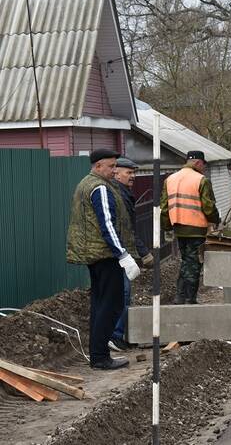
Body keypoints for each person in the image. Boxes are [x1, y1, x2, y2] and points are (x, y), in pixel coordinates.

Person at [66, 149, 140, 370]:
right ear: (98, 166)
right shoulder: (100, 188)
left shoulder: (86, 183)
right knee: (111, 304)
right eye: (110, 166)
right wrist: (123, 255)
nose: (114, 170)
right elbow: (106, 223)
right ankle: (100, 356)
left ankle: (98, 354)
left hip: (94, 254)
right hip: (105, 255)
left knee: (100, 303)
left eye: (115, 165)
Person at [160, 151, 220, 304]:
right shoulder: (201, 180)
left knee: (186, 261)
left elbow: (164, 207)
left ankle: (180, 297)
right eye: (203, 165)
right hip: (196, 229)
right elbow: (208, 206)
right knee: (194, 264)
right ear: (198, 163)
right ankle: (189, 299)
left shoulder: (170, 180)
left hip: (179, 229)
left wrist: (167, 227)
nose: (204, 168)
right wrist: (215, 220)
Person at [108, 157, 153, 352]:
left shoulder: (123, 192)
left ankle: (118, 335)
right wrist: (142, 252)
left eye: (134, 172)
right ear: (116, 173)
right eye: (129, 172)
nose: (133, 176)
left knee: (122, 294)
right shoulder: (117, 194)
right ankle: (114, 336)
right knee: (121, 294)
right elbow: (125, 229)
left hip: (121, 251)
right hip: (119, 253)